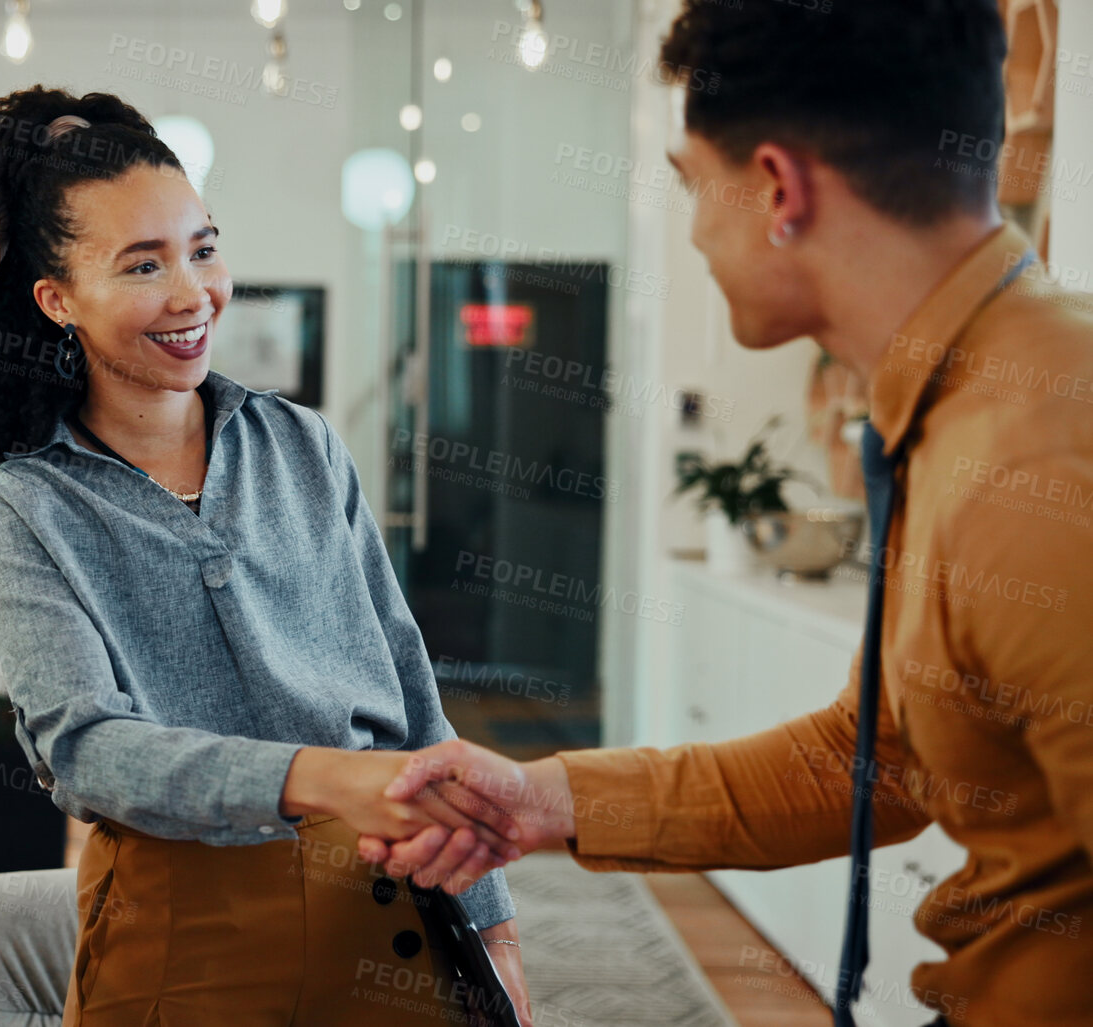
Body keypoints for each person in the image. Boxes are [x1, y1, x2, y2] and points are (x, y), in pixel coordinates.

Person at [358, 3, 1092, 1025]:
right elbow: (871, 757)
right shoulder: (967, 401)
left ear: (778, 188)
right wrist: (543, 799)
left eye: (691, 184)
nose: (696, 231)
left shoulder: (1038, 461)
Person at [0, 87, 528, 1026]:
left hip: (387, 914)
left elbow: (411, 692)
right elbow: (88, 751)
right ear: (58, 300)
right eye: (143, 265)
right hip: (181, 933)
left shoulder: (301, 446)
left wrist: (492, 927)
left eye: (202, 248)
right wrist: (326, 775)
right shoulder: (27, 505)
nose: (192, 295)